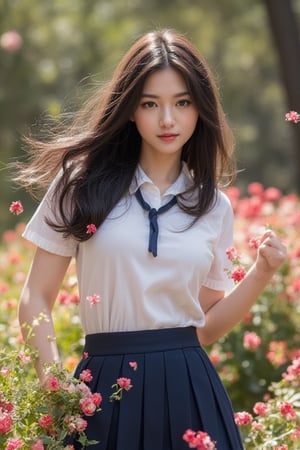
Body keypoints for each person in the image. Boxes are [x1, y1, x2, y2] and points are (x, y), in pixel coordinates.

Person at [15, 29, 286, 450]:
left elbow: (207, 326)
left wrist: (261, 273)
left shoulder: (213, 205)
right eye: (149, 104)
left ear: (201, 109)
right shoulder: (79, 184)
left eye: (182, 103)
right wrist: (59, 391)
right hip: (101, 388)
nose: (167, 120)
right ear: (129, 110)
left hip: (190, 390)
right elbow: (35, 296)